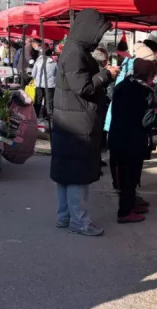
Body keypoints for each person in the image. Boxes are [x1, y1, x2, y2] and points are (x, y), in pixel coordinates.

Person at [50, 9, 119, 237]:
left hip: (69, 121)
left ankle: (64, 217)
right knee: (77, 175)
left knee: (66, 174)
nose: (99, 39)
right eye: (98, 33)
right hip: (77, 124)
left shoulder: (72, 49)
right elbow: (84, 88)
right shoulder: (75, 53)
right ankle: (79, 221)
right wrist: (106, 74)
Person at [108, 56, 157, 224]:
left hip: (117, 137)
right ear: (148, 76)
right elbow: (147, 120)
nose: (154, 79)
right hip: (132, 141)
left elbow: (134, 111)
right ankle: (125, 212)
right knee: (129, 177)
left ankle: (131, 205)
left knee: (126, 177)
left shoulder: (124, 84)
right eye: (153, 76)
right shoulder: (144, 91)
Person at [31, 48, 56, 120]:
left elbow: (33, 74)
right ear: (50, 54)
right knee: (48, 101)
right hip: (50, 85)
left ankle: (35, 115)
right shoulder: (54, 63)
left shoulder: (38, 62)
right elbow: (57, 73)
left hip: (39, 84)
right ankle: (47, 116)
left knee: (38, 100)